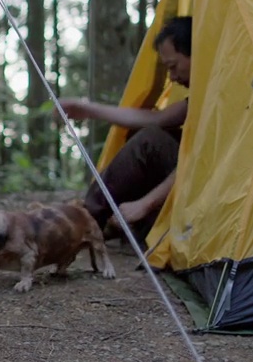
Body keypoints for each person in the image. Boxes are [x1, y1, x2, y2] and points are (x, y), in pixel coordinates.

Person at [58, 16, 192, 245]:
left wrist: (145, 204)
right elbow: (155, 118)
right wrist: (88, 109)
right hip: (187, 187)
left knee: (151, 140)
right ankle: (108, 222)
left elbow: (197, 161)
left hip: (201, 188)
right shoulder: (201, 94)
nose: (172, 77)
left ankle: (83, 221)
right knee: (145, 133)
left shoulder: (223, 95)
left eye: (173, 66)